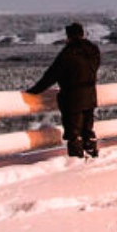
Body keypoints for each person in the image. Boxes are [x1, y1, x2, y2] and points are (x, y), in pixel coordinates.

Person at [28, 22, 101, 158]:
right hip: (90, 96)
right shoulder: (93, 50)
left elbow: (51, 75)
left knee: (74, 133)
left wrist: (33, 91)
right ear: (82, 34)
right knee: (87, 129)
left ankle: (76, 160)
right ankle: (92, 154)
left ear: (69, 36)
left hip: (72, 98)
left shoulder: (68, 53)